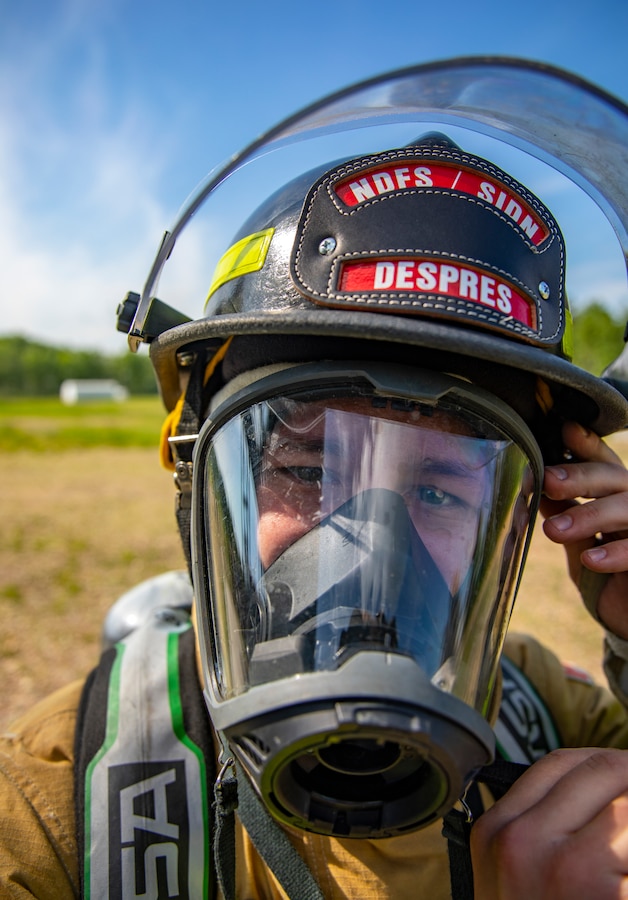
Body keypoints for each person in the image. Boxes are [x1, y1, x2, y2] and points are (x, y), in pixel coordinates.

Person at [3, 65, 628, 900]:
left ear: (527, 519)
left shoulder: (550, 713)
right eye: (306, 468)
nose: (374, 544)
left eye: (440, 491)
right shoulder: (63, 801)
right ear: (202, 484)